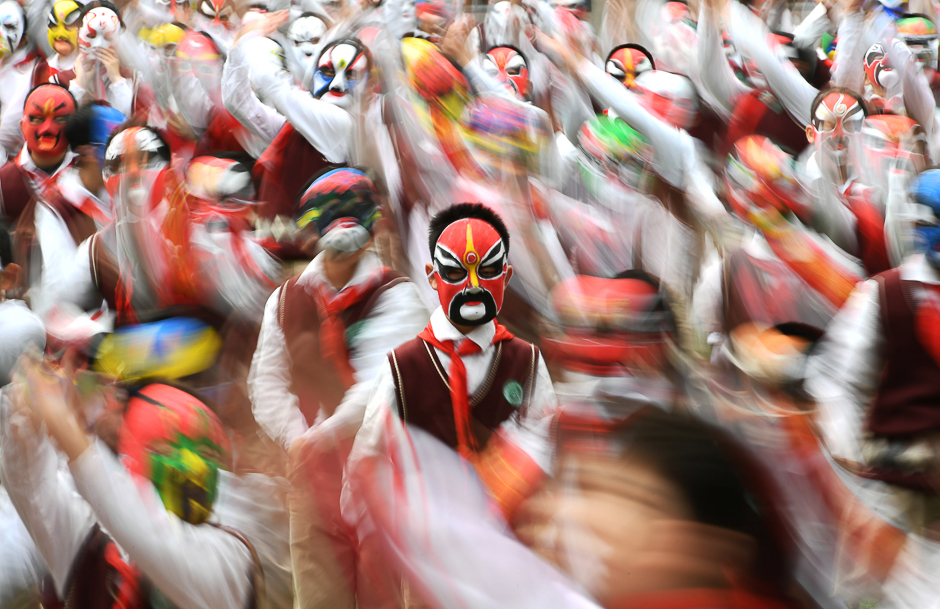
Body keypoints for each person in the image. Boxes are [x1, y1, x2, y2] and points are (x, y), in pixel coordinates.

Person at [343, 202, 558, 606]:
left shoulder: (527, 361)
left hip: (509, 565)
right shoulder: (402, 367)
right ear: (433, 276)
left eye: (489, 271)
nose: (473, 286)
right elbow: (364, 463)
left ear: (508, 276)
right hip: (430, 567)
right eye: (457, 273)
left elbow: (545, 449)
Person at [248, 167, 428, 609]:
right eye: (330, 213)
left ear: (373, 224)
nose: (343, 224)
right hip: (313, 487)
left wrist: (315, 439)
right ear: (310, 228)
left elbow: (379, 384)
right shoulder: (286, 299)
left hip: (384, 482)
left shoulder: (401, 297)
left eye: (354, 212)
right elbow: (265, 384)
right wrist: (297, 440)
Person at [2, 368, 293, 608]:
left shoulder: (230, 559)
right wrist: (24, 406)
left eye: (208, 453)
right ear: (130, 460)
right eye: (164, 448)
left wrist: (65, 426)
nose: (191, 466)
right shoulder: (93, 551)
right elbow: (29, 485)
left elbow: (150, 537)